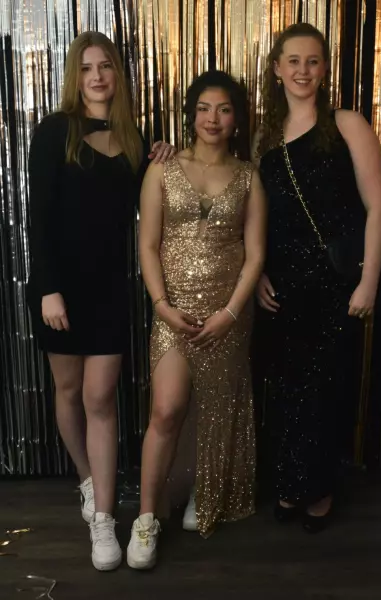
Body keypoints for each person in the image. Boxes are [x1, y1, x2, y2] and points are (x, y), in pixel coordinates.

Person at [27, 31, 175, 571]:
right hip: (59, 289)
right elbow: (38, 217)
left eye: (106, 66)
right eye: (87, 67)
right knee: (69, 391)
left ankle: (105, 519)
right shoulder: (54, 131)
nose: (96, 76)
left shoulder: (135, 140)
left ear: (117, 75)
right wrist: (48, 288)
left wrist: (164, 157)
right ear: (76, 76)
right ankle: (89, 482)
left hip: (110, 288)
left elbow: (152, 206)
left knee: (100, 398)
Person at [253, 23, 381, 533]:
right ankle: (291, 483)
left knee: (328, 388)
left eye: (313, 61)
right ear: (276, 69)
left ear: (325, 68)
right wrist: (259, 273)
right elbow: (258, 218)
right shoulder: (265, 138)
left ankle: (321, 489)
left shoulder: (347, 123)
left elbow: (378, 208)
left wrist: (368, 282)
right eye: (293, 61)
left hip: (336, 282)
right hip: (284, 285)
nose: (303, 70)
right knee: (288, 388)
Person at [127, 70, 266, 569]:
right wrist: (161, 304)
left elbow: (255, 255)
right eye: (204, 108)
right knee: (166, 410)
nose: (213, 118)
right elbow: (148, 245)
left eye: (224, 109)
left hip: (228, 313)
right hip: (173, 310)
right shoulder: (163, 169)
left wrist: (230, 313)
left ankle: (202, 494)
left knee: (216, 408)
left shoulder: (249, 176)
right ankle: (146, 519)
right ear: (191, 115)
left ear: (236, 119)